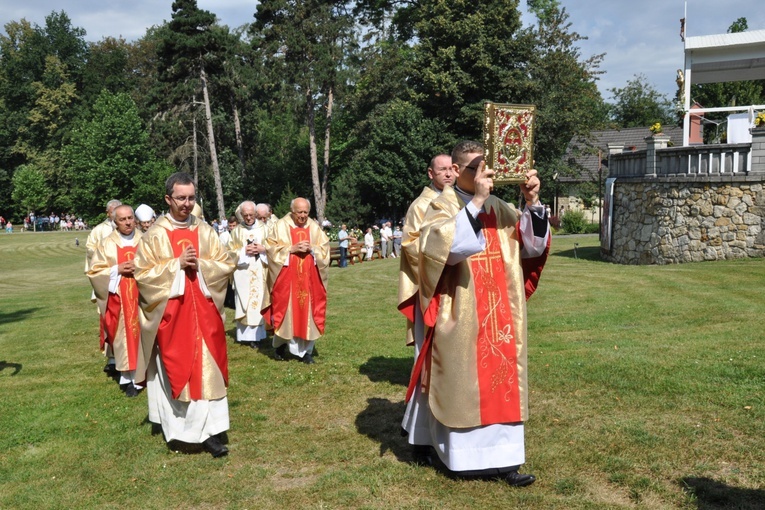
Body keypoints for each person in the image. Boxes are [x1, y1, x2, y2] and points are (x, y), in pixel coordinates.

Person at [401, 140, 550, 487]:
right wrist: (477, 202)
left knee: (503, 380)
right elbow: (445, 252)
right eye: (476, 167)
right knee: (461, 381)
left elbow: (533, 245)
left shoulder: (500, 207)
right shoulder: (441, 205)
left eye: (488, 166)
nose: (485, 173)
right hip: (461, 308)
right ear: (455, 171)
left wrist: (532, 202)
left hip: (501, 313)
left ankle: (506, 460)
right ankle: (460, 458)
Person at [134, 172, 235, 458]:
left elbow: (224, 263)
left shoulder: (204, 230)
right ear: (168, 199)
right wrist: (175, 265)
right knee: (180, 370)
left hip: (205, 313)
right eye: (181, 198)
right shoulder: (155, 235)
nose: (187, 204)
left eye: (191, 198)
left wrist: (200, 265)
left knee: (210, 370)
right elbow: (142, 275)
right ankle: (185, 430)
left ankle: (212, 431)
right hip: (174, 316)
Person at [262, 197, 329, 364]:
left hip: (309, 281)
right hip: (287, 281)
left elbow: (324, 247)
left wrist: (312, 249)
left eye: (306, 212)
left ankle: (306, 352)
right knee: (286, 314)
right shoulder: (280, 226)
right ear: (292, 211)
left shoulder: (313, 226)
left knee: (309, 314)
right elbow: (270, 247)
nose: (303, 216)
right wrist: (291, 249)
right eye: (300, 212)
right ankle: (280, 345)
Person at [398, 153, 454, 348]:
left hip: (459, 277)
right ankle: (425, 377)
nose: (448, 174)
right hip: (433, 281)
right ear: (431, 173)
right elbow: (410, 243)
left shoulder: (460, 200)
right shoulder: (420, 205)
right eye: (442, 170)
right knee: (431, 336)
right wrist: (438, 261)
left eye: (451, 169)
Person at [87, 205, 143, 397]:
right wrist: (117, 269)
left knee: (145, 335)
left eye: (130, 218)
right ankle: (128, 378)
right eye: (122, 219)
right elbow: (94, 271)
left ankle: (145, 375)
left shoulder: (145, 239)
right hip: (118, 298)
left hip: (143, 297)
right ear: (115, 222)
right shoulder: (106, 244)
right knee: (123, 337)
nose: (128, 222)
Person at [229, 201, 269, 348]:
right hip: (243, 273)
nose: (248, 218)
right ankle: (245, 336)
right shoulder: (236, 231)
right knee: (245, 301)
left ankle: (258, 336)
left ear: (256, 214)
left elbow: (273, 248)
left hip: (260, 271)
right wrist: (243, 252)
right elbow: (229, 253)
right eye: (245, 215)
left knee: (258, 302)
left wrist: (263, 249)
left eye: (251, 215)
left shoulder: (265, 229)